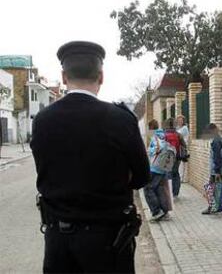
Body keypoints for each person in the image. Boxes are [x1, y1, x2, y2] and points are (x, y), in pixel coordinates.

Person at [30, 41, 150, 273]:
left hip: (59, 243)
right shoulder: (121, 119)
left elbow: (44, 171)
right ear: (101, 76)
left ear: (64, 77)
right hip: (109, 242)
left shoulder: (43, 121)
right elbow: (142, 177)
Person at [144, 119, 170, 221]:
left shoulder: (155, 136)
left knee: (148, 188)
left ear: (150, 128)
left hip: (155, 167)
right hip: (163, 167)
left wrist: (149, 150)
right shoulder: (163, 134)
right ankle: (165, 212)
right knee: (159, 189)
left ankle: (156, 211)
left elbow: (156, 150)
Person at [164, 117, 186, 197]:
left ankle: (169, 192)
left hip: (168, 157)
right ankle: (176, 193)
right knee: (176, 173)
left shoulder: (164, 135)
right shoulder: (178, 135)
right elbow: (184, 145)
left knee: (168, 174)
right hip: (177, 157)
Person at [176, 115, 189, 183]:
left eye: (181, 120)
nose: (179, 121)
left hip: (183, 148)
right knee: (181, 163)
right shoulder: (178, 128)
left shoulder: (184, 128)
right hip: (179, 147)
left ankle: (182, 178)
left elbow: (178, 136)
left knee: (182, 163)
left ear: (183, 121)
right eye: (178, 120)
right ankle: (181, 178)